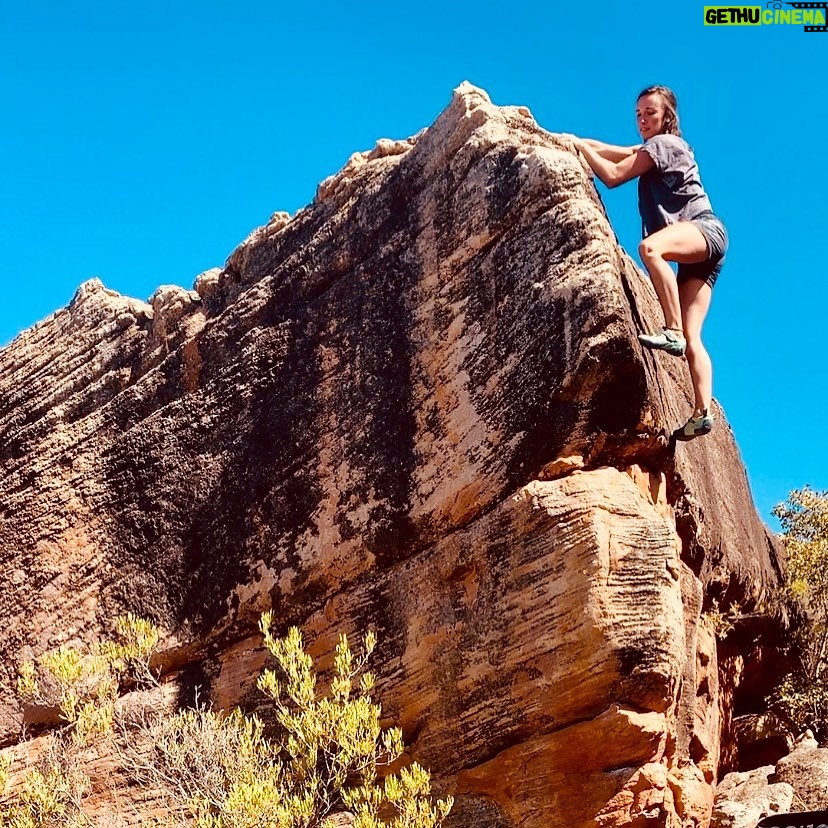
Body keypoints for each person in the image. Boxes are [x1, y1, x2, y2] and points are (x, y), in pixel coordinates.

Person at [573, 86, 728, 441]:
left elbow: (612, 176)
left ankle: (669, 329)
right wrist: (579, 141)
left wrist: (581, 148)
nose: (643, 120)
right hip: (707, 249)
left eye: (650, 114)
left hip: (703, 229)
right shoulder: (660, 147)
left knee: (651, 249)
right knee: (694, 338)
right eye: (638, 115)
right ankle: (701, 413)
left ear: (667, 117)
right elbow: (621, 151)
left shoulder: (664, 144)